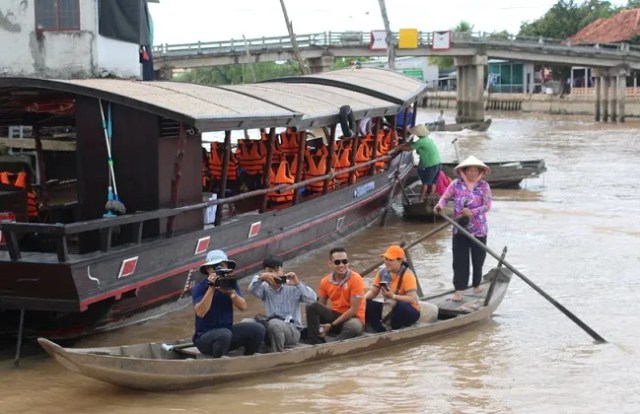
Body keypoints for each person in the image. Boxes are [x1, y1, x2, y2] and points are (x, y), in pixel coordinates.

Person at [434, 156, 493, 302]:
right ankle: (459, 290)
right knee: (460, 260)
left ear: (480, 172)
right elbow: (445, 197)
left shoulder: (484, 186)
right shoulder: (456, 184)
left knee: (478, 259)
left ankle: (476, 285)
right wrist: (439, 206)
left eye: (475, 170)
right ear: (463, 171)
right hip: (459, 229)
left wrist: (472, 212)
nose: (472, 173)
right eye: (469, 170)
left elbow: (487, 206)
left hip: (479, 229)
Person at [192, 250, 265, 357]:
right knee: (223, 334)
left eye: (222, 266)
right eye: (215, 267)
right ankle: (219, 363)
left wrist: (231, 292)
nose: (219, 270)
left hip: (227, 332)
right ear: (208, 269)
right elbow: (200, 313)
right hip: (205, 338)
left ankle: (248, 359)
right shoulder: (200, 287)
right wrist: (212, 288)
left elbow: (243, 307)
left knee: (257, 329)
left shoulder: (230, 284)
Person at [248, 255, 317, 352]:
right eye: (270, 271)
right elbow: (251, 289)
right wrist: (260, 278)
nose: (274, 274)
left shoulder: (293, 285)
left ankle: (277, 355)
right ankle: (252, 352)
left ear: (282, 271)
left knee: (274, 324)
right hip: (271, 326)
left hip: (293, 330)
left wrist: (298, 284)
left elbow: (312, 299)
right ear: (265, 273)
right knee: (247, 323)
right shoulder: (264, 287)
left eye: (277, 270)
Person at [305, 247, 366, 344]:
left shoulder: (356, 279)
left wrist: (332, 325)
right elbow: (321, 305)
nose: (341, 265)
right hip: (335, 316)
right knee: (312, 306)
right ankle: (315, 341)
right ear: (330, 264)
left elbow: (353, 309)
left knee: (354, 327)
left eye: (345, 262)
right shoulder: (325, 281)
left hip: (353, 318)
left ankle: (333, 346)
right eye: (337, 262)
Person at [364, 245, 421, 332]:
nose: (386, 262)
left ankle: (394, 329)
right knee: (367, 304)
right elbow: (373, 292)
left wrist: (393, 296)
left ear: (400, 261)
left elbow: (411, 298)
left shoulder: (407, 275)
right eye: (385, 259)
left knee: (401, 306)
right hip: (390, 307)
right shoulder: (382, 273)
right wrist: (362, 299)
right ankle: (379, 330)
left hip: (409, 310)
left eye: (390, 260)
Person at [399, 124, 442, 202]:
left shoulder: (421, 141)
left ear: (418, 134)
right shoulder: (427, 139)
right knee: (433, 182)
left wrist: (398, 148)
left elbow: (409, 148)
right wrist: (404, 145)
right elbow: (412, 144)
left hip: (430, 165)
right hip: (438, 163)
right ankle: (431, 199)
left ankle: (421, 199)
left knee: (425, 183)